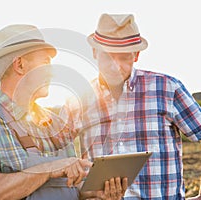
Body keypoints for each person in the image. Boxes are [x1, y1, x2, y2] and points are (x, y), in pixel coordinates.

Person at [0, 24, 127, 200]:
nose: (52, 72)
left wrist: (95, 193)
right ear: (20, 65)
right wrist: (49, 169)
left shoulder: (55, 124)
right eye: (46, 62)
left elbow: (68, 189)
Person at [62, 13, 201, 199]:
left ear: (136, 55)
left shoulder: (168, 88)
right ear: (95, 53)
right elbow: (59, 164)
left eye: (123, 58)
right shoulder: (78, 100)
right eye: (108, 57)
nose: (115, 66)